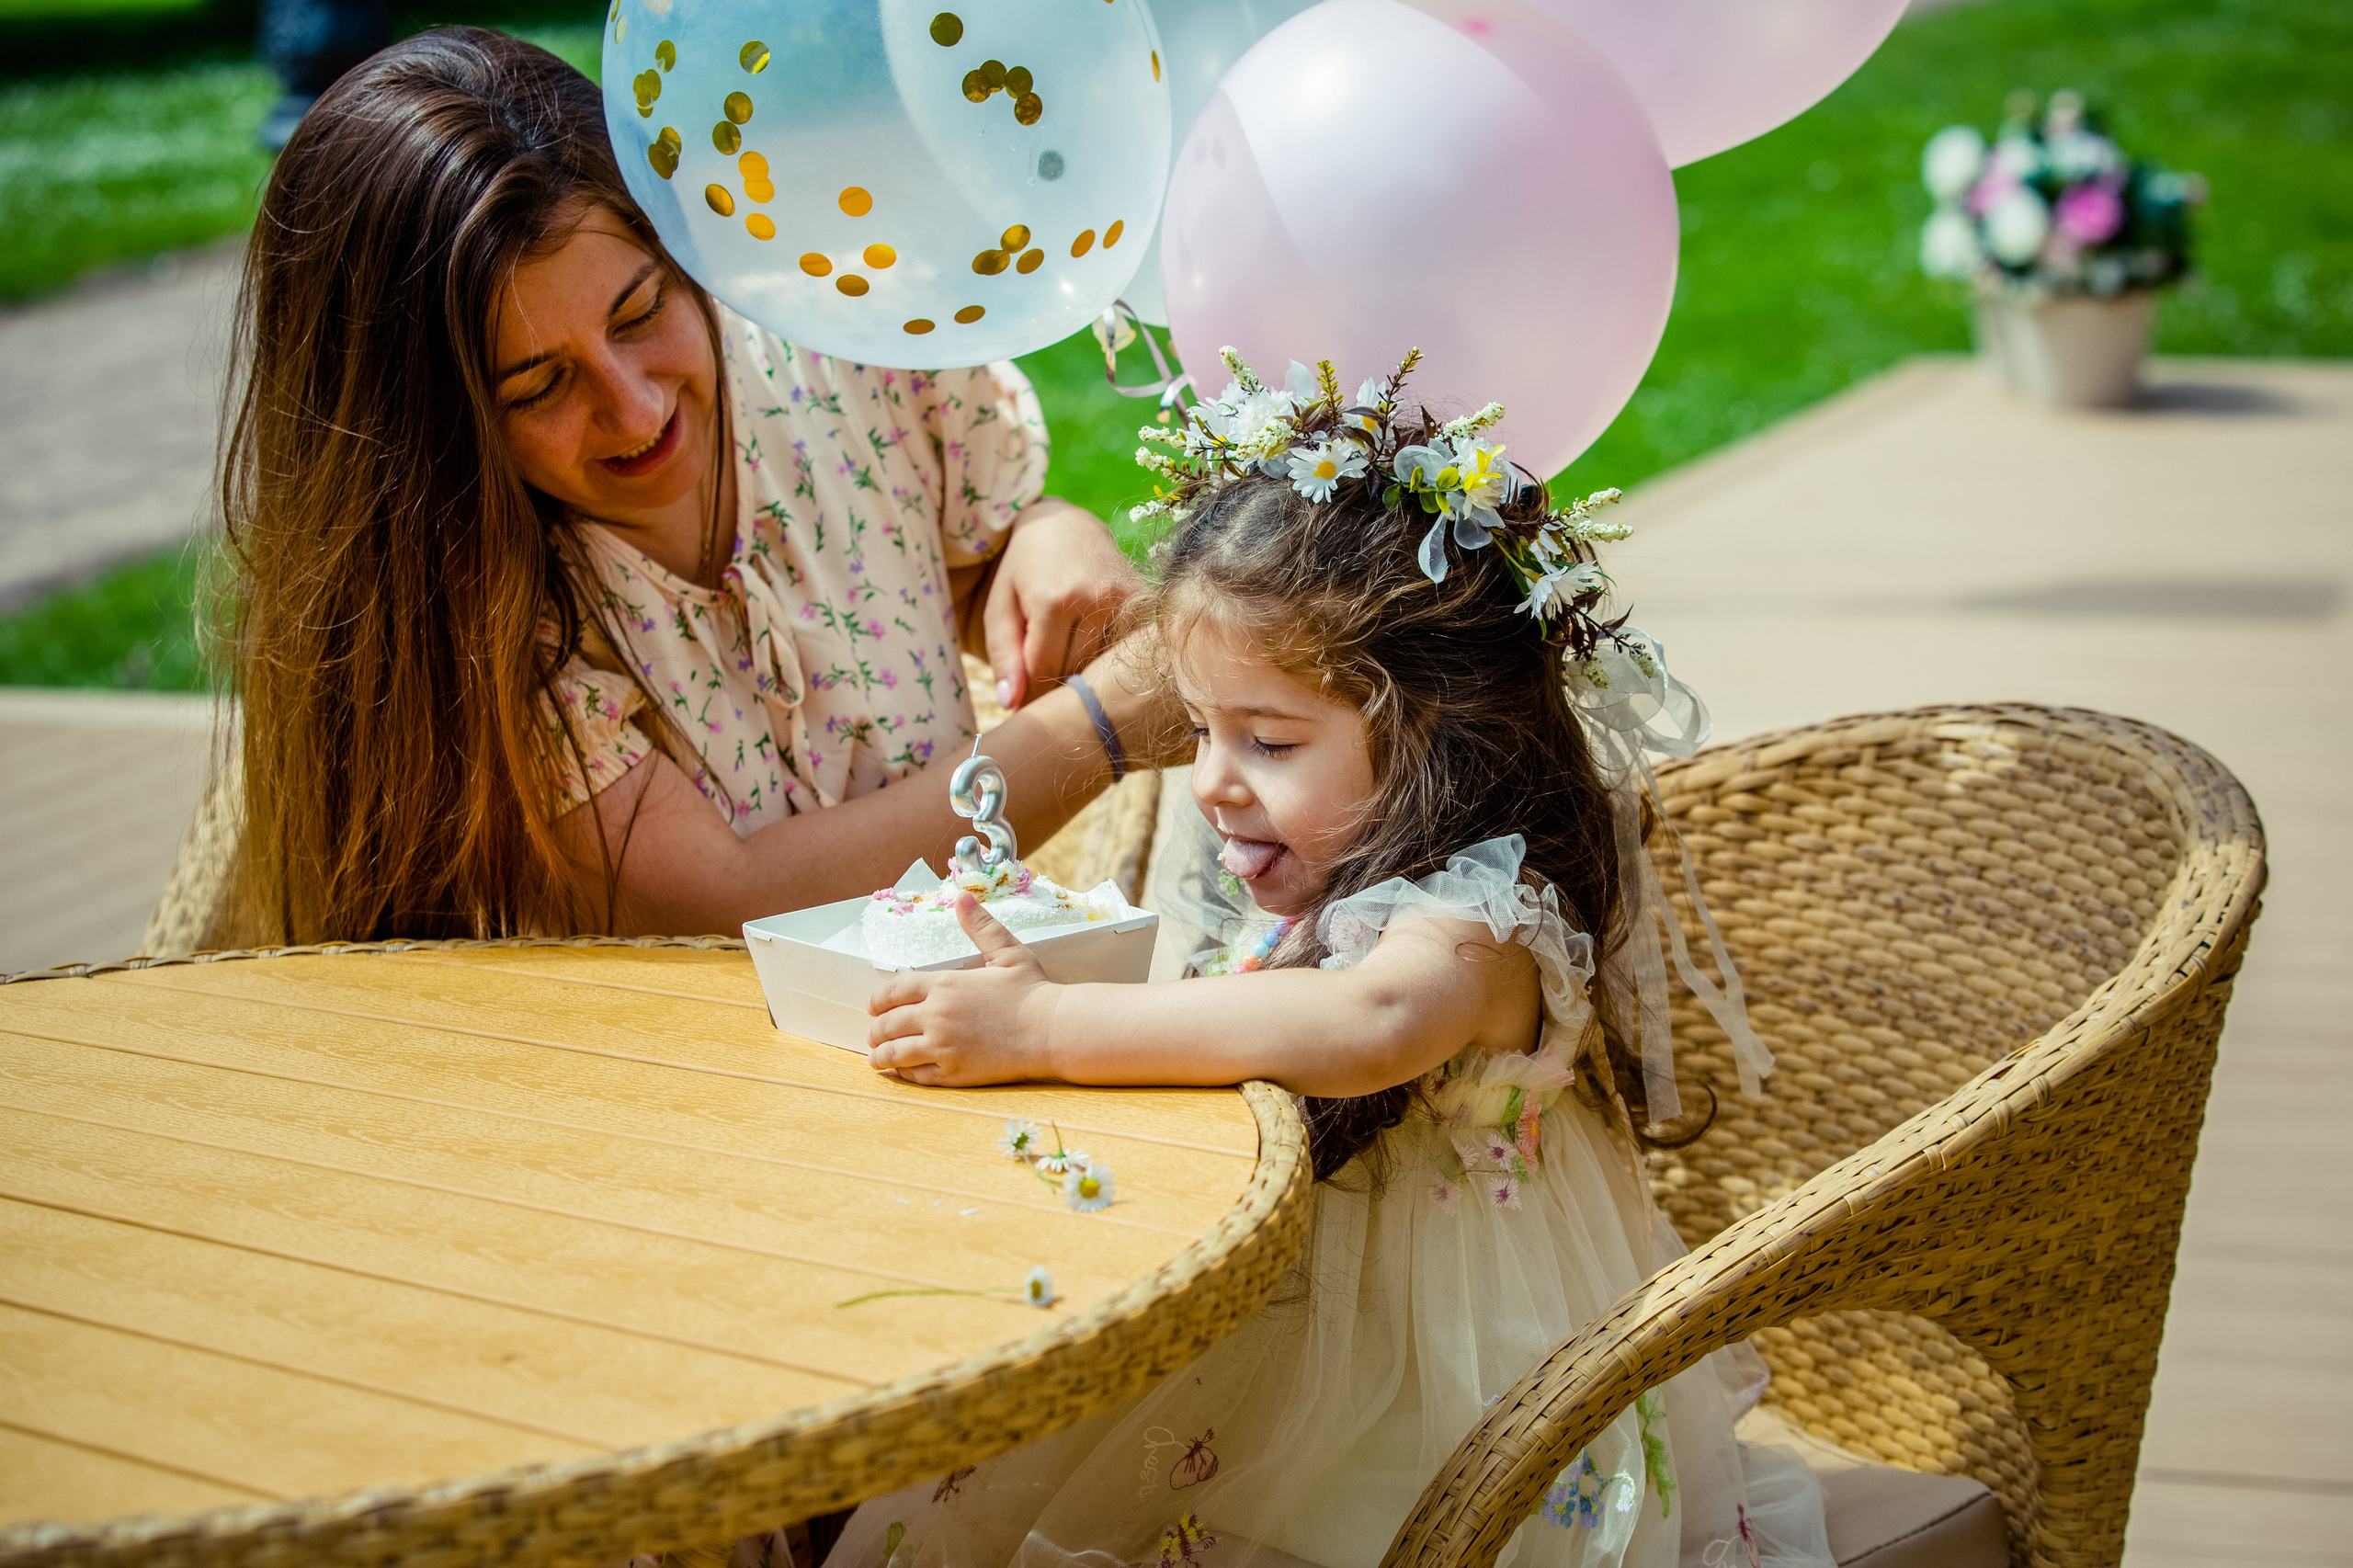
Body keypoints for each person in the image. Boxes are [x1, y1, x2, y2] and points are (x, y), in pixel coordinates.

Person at [843, 354, 1829, 1568]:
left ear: (1435, 736)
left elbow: (1368, 1022)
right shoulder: (1335, 878)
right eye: (1200, 730)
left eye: (1267, 738)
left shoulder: (1482, 923)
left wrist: (1044, 1030)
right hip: (1295, 1329)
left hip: (1465, 1394)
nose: (1210, 780)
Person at [209, 28, 1163, 948]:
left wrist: (1044, 535)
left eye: (639, 310)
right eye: (539, 386)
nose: (633, 410)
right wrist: (1100, 726)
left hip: (959, 1017)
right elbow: (737, 903)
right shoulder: (475, 620)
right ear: (426, 439)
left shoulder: (841, 353)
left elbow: (945, 574)